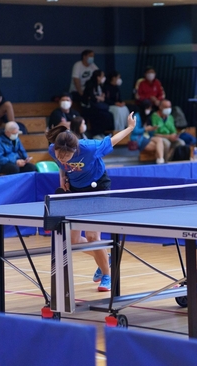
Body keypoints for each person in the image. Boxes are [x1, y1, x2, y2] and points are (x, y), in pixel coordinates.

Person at [45, 112, 135, 292]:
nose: (61, 158)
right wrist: (62, 175)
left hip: (97, 187)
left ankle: (107, 275)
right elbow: (60, 165)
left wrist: (130, 127)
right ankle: (105, 255)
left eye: (66, 157)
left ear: (75, 150)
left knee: (93, 236)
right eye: (59, 155)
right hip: (76, 190)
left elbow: (113, 140)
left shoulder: (90, 148)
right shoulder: (52, 150)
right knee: (73, 242)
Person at [130, 99, 166, 164]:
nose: (149, 110)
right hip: (138, 138)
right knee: (158, 146)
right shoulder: (136, 116)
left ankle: (161, 159)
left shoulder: (147, 117)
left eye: (150, 108)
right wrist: (145, 129)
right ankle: (160, 161)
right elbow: (134, 130)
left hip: (147, 137)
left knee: (159, 140)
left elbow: (149, 132)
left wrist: (152, 129)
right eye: (147, 108)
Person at [82, 70, 114, 138]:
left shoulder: (101, 86)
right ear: (98, 77)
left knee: (109, 115)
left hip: (99, 106)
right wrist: (99, 98)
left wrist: (99, 98)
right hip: (89, 107)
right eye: (102, 76)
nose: (104, 78)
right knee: (102, 115)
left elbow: (103, 97)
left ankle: (105, 132)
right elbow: (91, 97)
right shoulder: (90, 84)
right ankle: (96, 134)